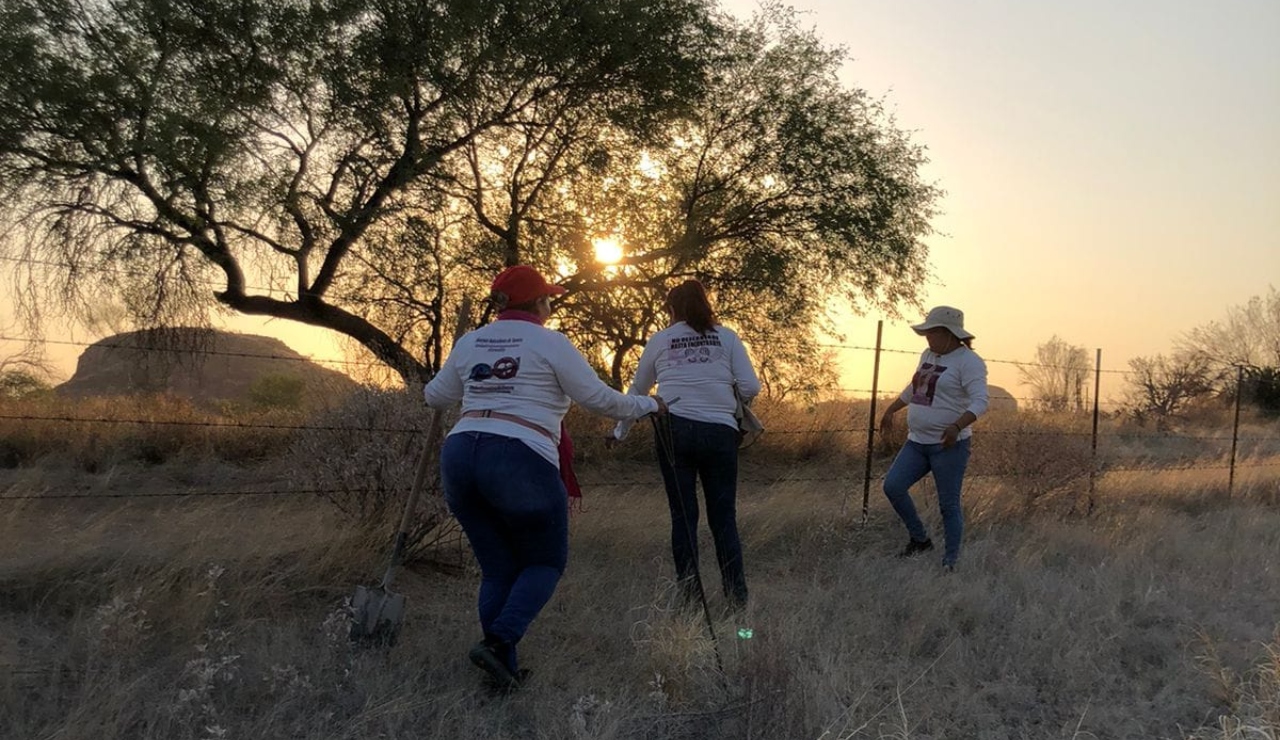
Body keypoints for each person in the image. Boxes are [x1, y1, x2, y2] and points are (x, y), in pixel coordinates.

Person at [423, 265, 666, 690]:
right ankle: (498, 644)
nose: (551, 305)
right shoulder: (550, 342)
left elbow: (435, 396)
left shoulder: (471, 340)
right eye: (548, 299)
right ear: (537, 303)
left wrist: (474, 370)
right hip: (518, 456)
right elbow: (595, 398)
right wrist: (648, 406)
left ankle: (502, 673)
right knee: (544, 562)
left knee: (498, 570)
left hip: (460, 453)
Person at [614, 279, 760, 610]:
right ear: (705, 305)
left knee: (683, 517)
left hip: (673, 432)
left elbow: (637, 390)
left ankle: (691, 598)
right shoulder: (727, 337)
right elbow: (751, 384)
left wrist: (620, 430)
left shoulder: (661, 339)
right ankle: (737, 600)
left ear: (672, 310)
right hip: (720, 433)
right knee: (724, 518)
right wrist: (732, 400)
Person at [878, 305, 989, 571]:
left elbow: (981, 401)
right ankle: (920, 540)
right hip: (917, 441)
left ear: (949, 334)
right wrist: (892, 409)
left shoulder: (970, 362)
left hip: (949, 445)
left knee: (948, 504)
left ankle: (950, 563)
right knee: (892, 486)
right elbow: (916, 385)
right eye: (926, 333)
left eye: (932, 332)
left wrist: (956, 426)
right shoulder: (928, 354)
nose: (927, 338)